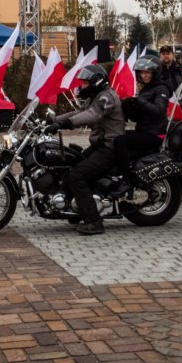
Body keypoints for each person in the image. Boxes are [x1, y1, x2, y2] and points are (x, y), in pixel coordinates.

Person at [50, 63, 125, 236]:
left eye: (85, 83)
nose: (82, 86)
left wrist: (66, 124)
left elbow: (92, 115)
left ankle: (94, 221)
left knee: (78, 175)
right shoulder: (96, 96)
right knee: (71, 165)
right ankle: (76, 209)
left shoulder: (107, 97)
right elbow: (79, 112)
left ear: (96, 82)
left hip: (109, 148)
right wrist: (54, 120)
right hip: (99, 145)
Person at [116, 56, 170, 172]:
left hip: (155, 134)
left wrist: (140, 101)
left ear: (155, 73)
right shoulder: (146, 89)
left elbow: (158, 111)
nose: (143, 75)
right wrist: (129, 107)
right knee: (115, 135)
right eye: (141, 73)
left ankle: (124, 177)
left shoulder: (161, 89)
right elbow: (139, 117)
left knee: (120, 141)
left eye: (147, 72)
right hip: (144, 130)